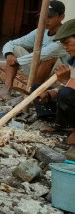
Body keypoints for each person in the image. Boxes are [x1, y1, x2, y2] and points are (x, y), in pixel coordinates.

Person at [0, 0, 67, 100]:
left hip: (59, 76)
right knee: (14, 49)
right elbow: (11, 43)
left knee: (49, 58)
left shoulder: (64, 36)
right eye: (43, 16)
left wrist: (17, 61)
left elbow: (46, 53)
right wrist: (9, 55)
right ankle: (6, 89)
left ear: (61, 17)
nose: (45, 20)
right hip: (38, 69)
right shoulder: (40, 31)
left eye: (50, 17)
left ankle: (30, 94)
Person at [38, 18, 75, 149]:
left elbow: (70, 86)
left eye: (67, 43)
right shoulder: (73, 60)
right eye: (63, 44)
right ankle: (64, 126)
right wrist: (51, 93)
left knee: (66, 94)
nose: (65, 47)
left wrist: (66, 81)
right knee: (41, 90)